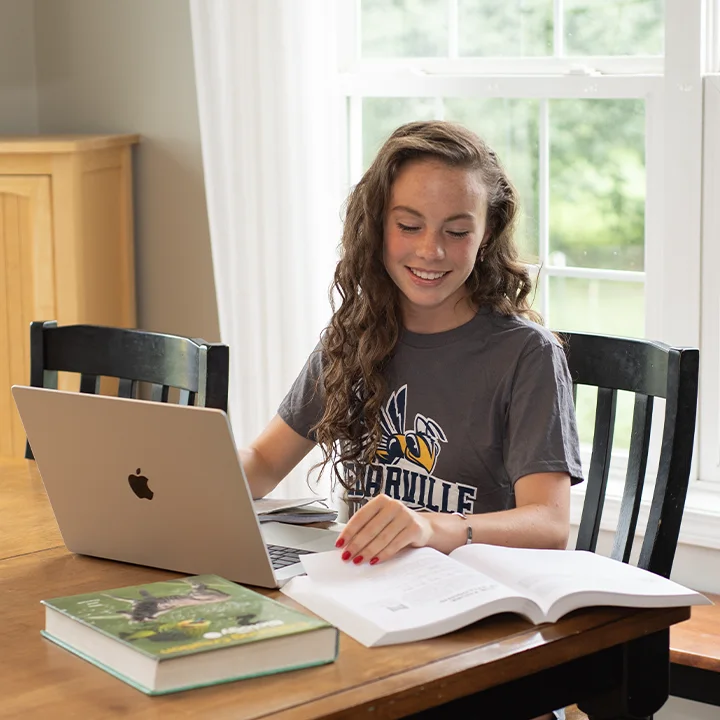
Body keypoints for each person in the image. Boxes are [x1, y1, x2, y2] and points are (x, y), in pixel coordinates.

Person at [241, 120, 582, 720]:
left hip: (474, 634)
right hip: (363, 611)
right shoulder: (353, 336)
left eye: (457, 231)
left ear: (486, 236)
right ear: (376, 228)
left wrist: (433, 527)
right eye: (409, 226)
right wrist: (186, 471)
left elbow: (550, 524)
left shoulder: (525, 356)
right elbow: (266, 463)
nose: (431, 251)